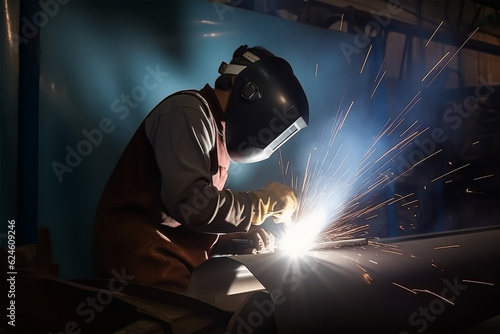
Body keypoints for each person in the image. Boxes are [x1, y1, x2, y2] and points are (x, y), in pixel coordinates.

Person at [92, 45, 309, 293]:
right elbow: (189, 203)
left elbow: (185, 220)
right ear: (248, 89)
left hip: (168, 258)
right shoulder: (188, 112)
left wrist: (233, 239)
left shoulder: (217, 128)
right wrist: (262, 204)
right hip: (139, 260)